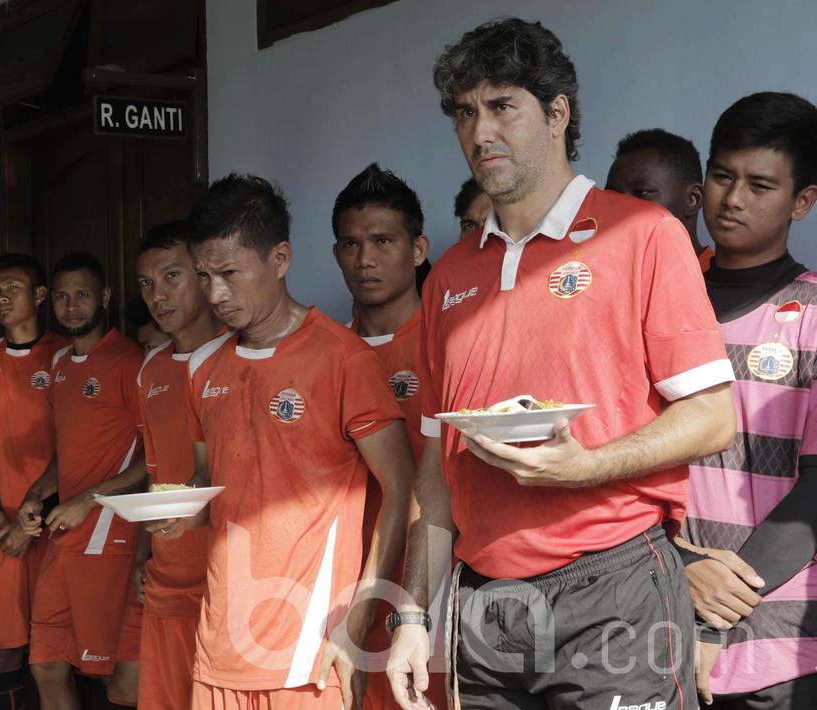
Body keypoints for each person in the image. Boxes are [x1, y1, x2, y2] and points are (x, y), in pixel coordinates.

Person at [386, 18, 737, 709]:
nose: (479, 131)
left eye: (501, 106)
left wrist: (585, 466)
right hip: (484, 599)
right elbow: (435, 467)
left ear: (556, 113)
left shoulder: (641, 235)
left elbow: (712, 417)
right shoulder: (451, 275)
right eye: (464, 112)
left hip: (611, 586)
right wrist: (411, 614)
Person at [154, 174, 414, 709]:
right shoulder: (203, 369)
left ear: (279, 259)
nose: (216, 294)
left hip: (309, 652)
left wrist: (358, 621)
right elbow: (210, 482)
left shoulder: (343, 359)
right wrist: (182, 508)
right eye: (204, 277)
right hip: (220, 644)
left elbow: (401, 486)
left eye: (229, 273)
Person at [678, 92, 817, 708]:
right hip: (658, 614)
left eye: (761, 185)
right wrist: (682, 564)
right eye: (721, 176)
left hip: (780, 646)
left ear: (803, 202)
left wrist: (717, 615)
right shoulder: (659, 306)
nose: (732, 200)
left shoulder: (812, 315)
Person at [329, 164, 447, 709]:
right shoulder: (325, 353)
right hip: (341, 585)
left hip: (427, 588)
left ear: (418, 248)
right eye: (351, 244)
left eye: (383, 241)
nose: (365, 258)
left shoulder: (449, 342)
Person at [17, 252, 145, 709]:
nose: (72, 306)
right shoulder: (59, 365)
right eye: (64, 297)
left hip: (109, 537)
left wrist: (90, 500)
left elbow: (155, 459)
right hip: (64, 533)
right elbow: (66, 451)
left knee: (116, 681)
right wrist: (37, 494)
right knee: (46, 664)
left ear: (105, 297)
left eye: (83, 295)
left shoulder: (130, 362)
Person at [0, 253, 66, 710]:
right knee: (2, 652)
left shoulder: (64, 354)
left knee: (56, 653)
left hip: (56, 525)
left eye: (13, 289)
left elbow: (77, 447)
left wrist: (31, 521)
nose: (2, 298)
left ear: (40, 296)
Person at [131, 221, 223, 709]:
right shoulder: (151, 368)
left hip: (224, 581)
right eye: (146, 283)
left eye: (171, 276)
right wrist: (145, 554)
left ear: (204, 275)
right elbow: (154, 473)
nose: (157, 295)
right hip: (166, 577)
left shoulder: (238, 355)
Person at [606, 128, 712, 267]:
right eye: (613, 196)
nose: (621, 208)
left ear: (693, 199)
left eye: (641, 193)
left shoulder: (715, 284)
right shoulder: (605, 275)